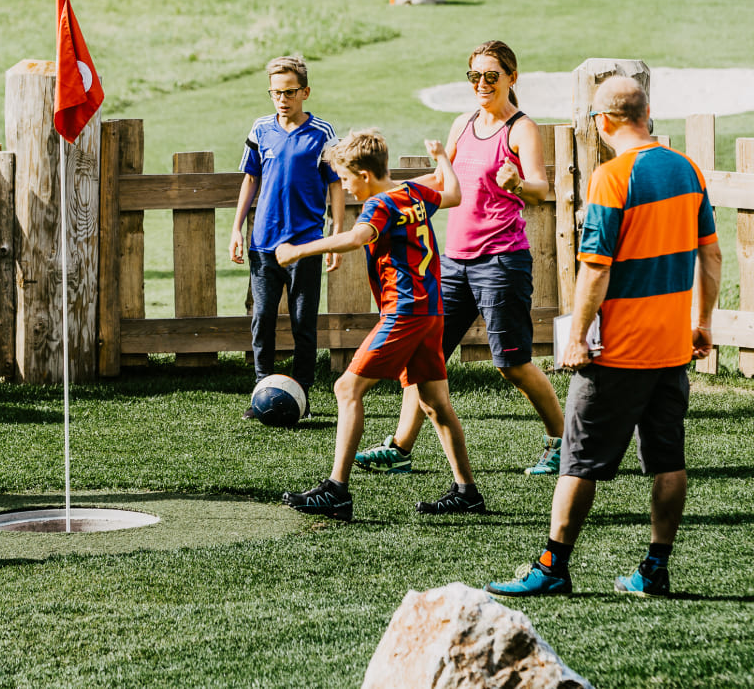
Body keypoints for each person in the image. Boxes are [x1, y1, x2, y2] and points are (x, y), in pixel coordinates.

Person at [486, 76, 721, 598]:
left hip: (617, 351)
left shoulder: (612, 177)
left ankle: (553, 568)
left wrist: (577, 337)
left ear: (603, 121)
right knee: (668, 462)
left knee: (578, 462)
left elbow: (596, 267)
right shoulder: (687, 169)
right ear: (646, 113)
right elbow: (711, 254)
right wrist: (702, 323)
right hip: (671, 349)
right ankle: (655, 569)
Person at [354, 41, 565, 477]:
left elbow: (541, 189)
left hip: (501, 261)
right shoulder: (462, 124)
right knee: (423, 358)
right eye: (475, 76)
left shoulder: (521, 129)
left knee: (512, 364)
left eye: (491, 76)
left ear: (511, 78)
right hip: (452, 263)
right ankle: (400, 449)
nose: (482, 84)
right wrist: (387, 191)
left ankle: (564, 443)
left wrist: (517, 183)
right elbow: (441, 180)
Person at [278, 129, 486, 520]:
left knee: (346, 388)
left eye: (346, 179)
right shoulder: (412, 194)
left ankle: (336, 490)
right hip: (431, 312)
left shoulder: (380, 204)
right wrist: (442, 159)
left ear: (365, 175)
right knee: (434, 403)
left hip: (405, 311)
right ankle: (467, 492)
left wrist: (298, 251)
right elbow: (454, 194)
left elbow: (357, 238)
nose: (344, 186)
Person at [229, 56, 345, 414]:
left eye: (290, 92)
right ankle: (261, 390)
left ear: (305, 92)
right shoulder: (260, 129)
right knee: (262, 318)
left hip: (306, 244)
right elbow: (251, 178)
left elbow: (336, 184)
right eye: (275, 93)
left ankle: (302, 394)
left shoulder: (322, 133)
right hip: (264, 243)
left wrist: (336, 233)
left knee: (303, 324)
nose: (282, 99)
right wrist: (236, 228)